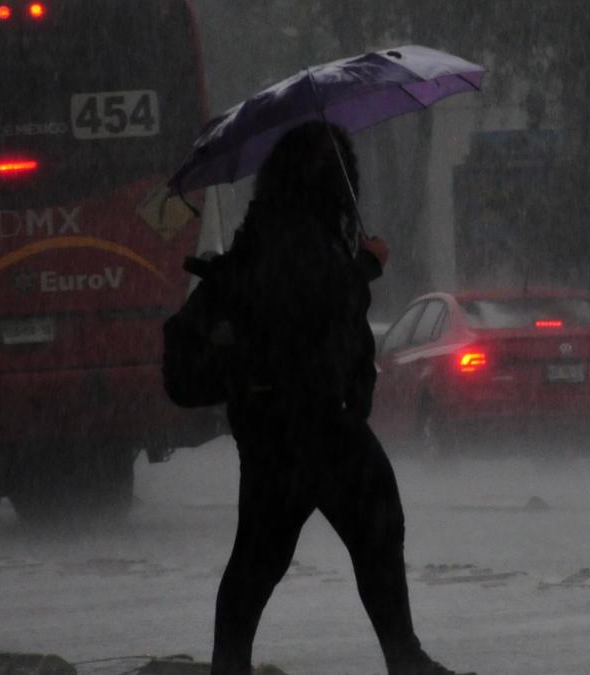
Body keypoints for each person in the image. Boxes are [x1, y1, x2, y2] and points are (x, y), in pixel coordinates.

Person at [196, 122, 473, 675]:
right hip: (313, 420)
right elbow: (313, 308)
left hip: (283, 424)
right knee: (366, 528)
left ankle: (231, 663)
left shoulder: (272, 229)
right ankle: (403, 656)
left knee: (264, 552)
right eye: (337, 169)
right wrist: (367, 266)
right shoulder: (295, 235)